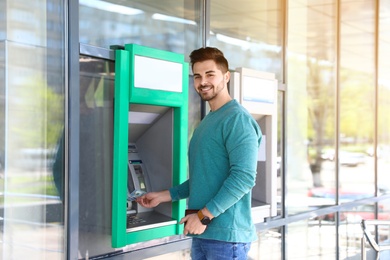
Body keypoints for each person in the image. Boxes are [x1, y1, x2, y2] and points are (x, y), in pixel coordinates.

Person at [137, 47, 262, 260]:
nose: (203, 81)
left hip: (225, 238)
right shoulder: (208, 121)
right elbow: (203, 177)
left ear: (226, 76)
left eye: (210, 74)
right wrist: (164, 196)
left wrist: (204, 216)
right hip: (204, 233)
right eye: (197, 76)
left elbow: (244, 178)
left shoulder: (237, 120)